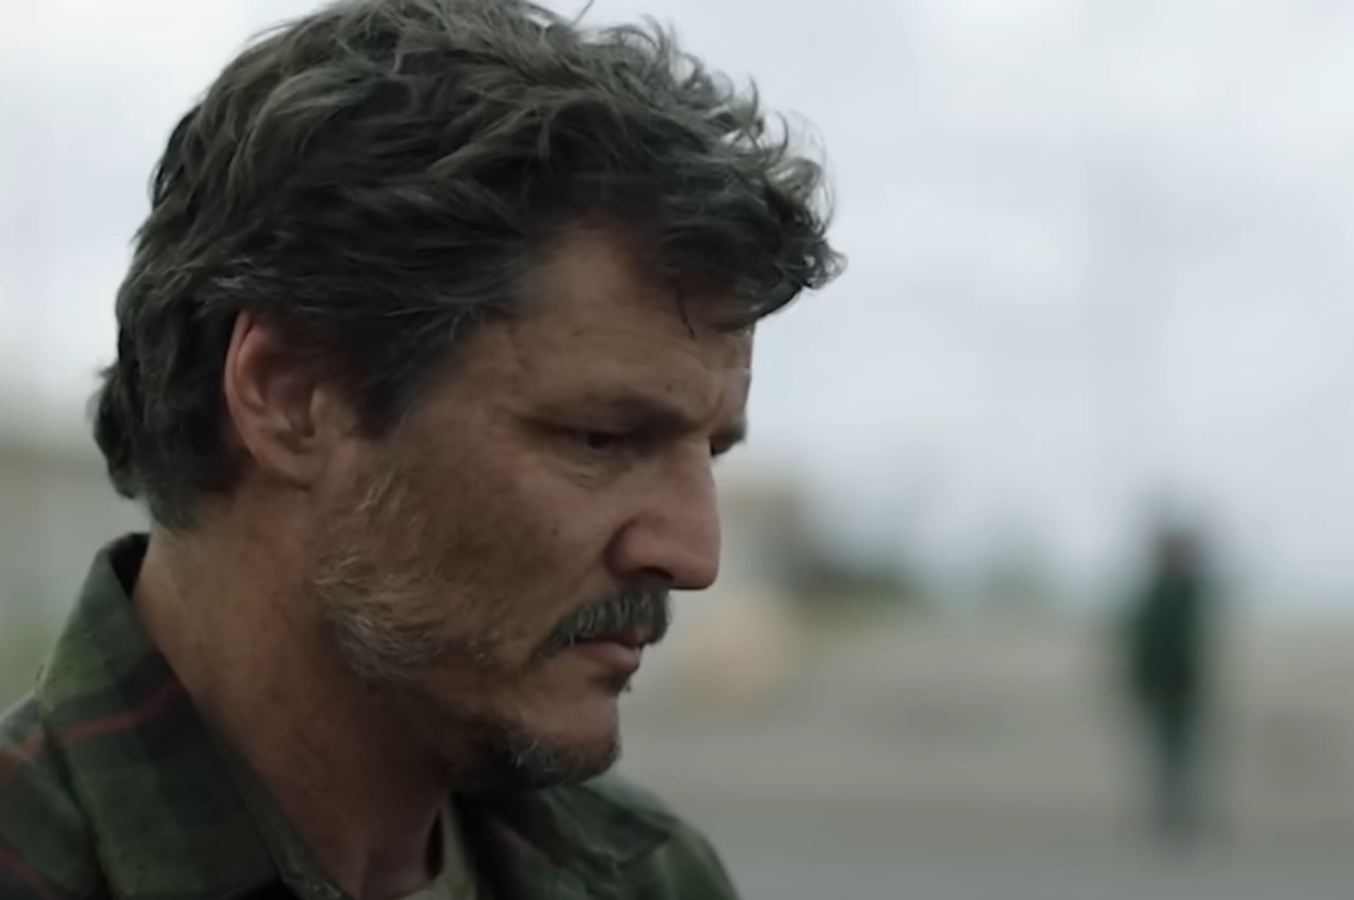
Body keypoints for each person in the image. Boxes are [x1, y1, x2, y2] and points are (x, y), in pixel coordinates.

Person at [0, 1, 841, 897]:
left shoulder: (652, 877)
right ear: (289, 397)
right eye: (601, 438)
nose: (695, 556)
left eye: (711, 453)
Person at [1120, 522, 1217, 845]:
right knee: (1165, 754)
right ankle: (1169, 815)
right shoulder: (1157, 592)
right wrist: (1139, 682)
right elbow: (1142, 643)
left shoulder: (1187, 591)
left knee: (1185, 753)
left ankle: (1184, 816)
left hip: (1184, 686)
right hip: (1161, 686)